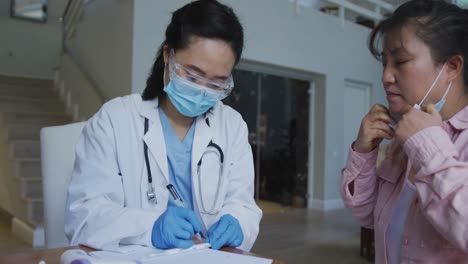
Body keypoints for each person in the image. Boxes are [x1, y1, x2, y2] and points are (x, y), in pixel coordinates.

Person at [65, 0, 262, 252]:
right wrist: (151, 227)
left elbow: (243, 206)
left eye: (216, 83)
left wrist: (237, 222)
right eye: (192, 75)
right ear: (168, 55)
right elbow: (83, 216)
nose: (202, 90)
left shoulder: (232, 126)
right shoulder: (115, 120)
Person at [340, 0, 468, 263]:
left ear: (451, 67)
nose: (386, 76)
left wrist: (429, 148)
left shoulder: (423, 140)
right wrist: (363, 152)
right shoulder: (404, 137)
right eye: (384, 63)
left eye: (401, 61)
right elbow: (365, 215)